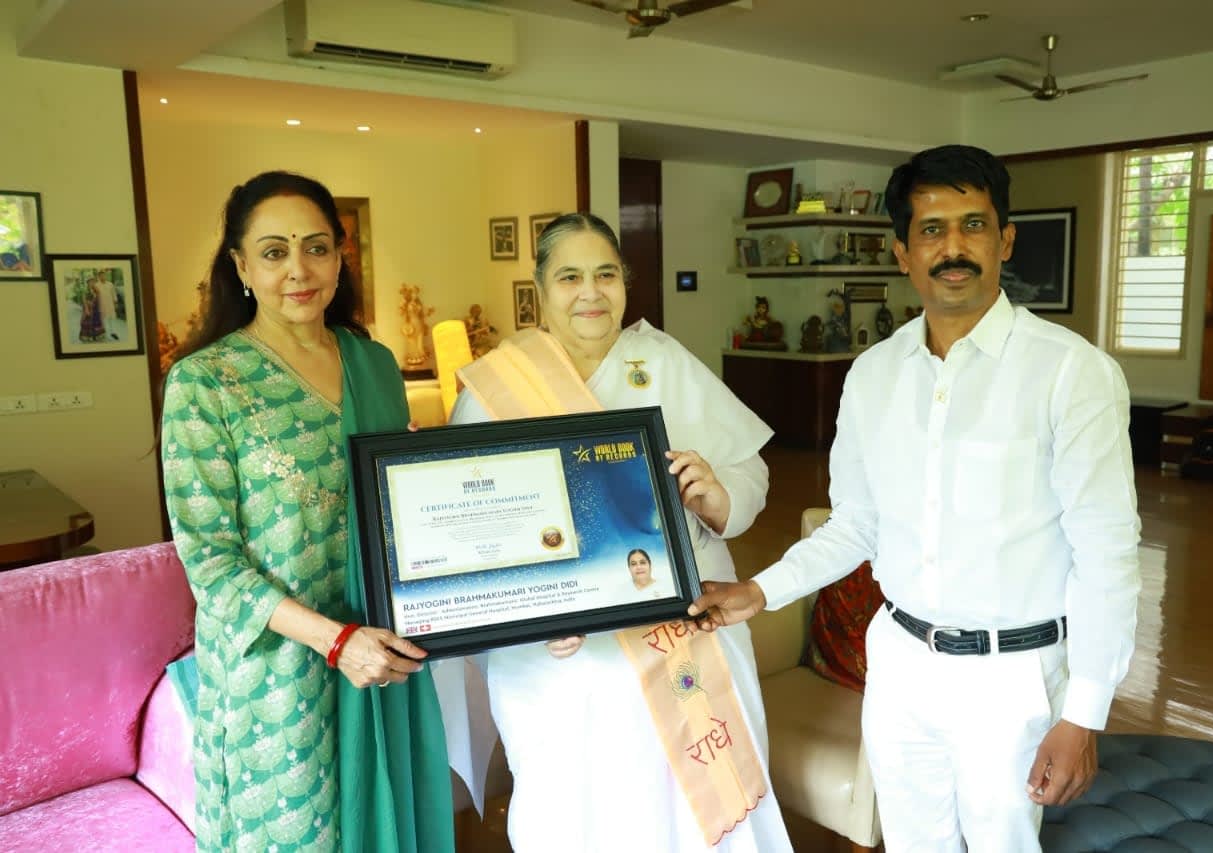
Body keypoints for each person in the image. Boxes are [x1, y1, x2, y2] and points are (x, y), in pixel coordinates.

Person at [690, 145, 1142, 852]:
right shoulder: (872, 375)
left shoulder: (1071, 373)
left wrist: (1083, 712)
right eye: (932, 230)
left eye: (973, 225)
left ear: (1005, 240)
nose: (953, 248)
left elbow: (1107, 555)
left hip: (1009, 680)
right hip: (898, 663)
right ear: (902, 251)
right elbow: (856, 526)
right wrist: (759, 589)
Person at [447, 213, 792, 852]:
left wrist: (720, 496)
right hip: (560, 659)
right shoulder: (497, 386)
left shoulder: (663, 361)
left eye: (606, 274)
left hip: (686, 630)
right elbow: (474, 537)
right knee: (583, 814)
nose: (590, 292)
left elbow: (752, 477)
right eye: (570, 276)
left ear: (625, 284)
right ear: (540, 289)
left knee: (693, 823)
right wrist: (531, 615)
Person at [160, 171, 453, 852]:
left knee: (385, 818)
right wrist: (334, 639)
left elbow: (396, 507)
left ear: (340, 256)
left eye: (316, 247)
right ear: (240, 266)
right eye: (273, 251)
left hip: (383, 649)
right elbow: (208, 558)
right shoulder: (206, 382)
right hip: (279, 670)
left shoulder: (375, 364)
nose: (298, 269)